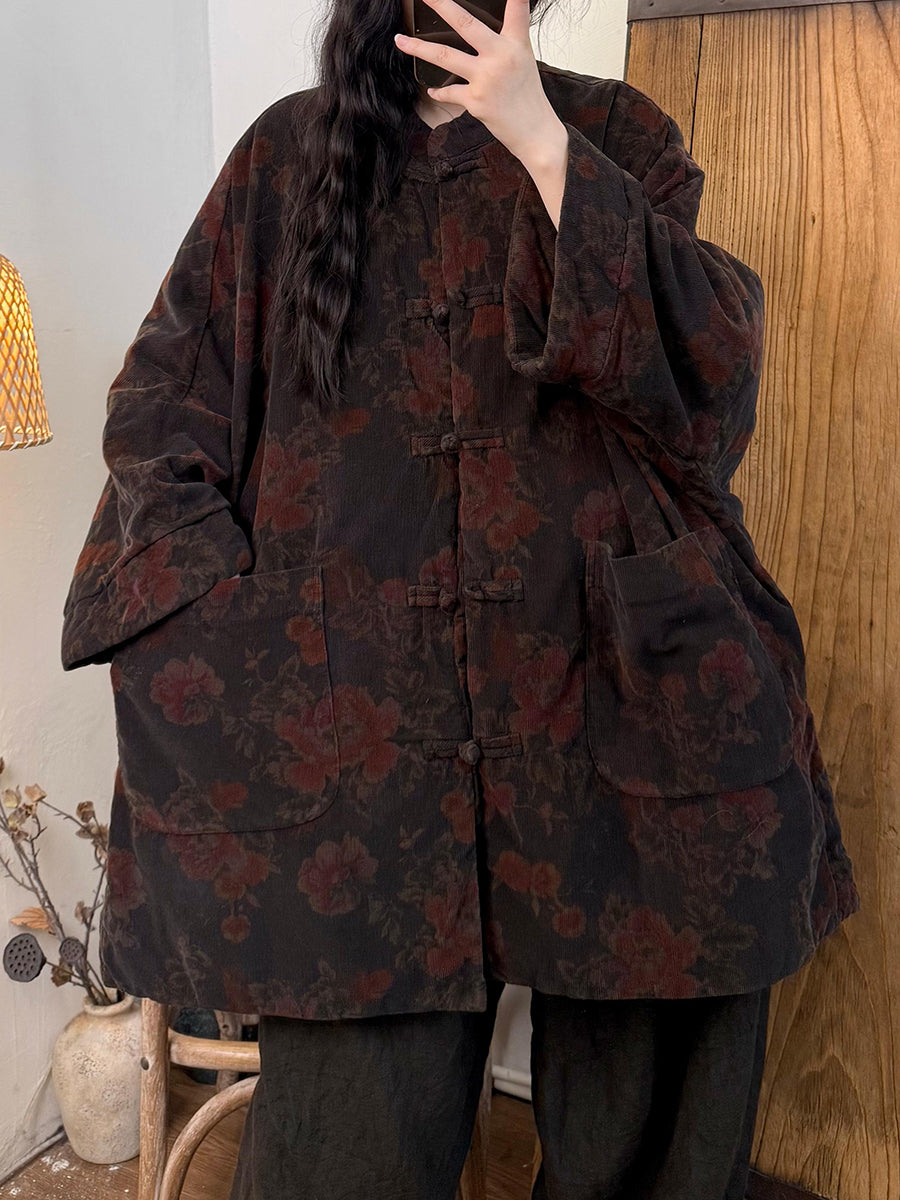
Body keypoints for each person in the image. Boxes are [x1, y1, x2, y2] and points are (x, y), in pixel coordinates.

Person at [59, 0, 860, 1195]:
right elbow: (160, 415)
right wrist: (231, 626)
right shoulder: (285, 160)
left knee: (648, 1116)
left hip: (617, 701)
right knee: (346, 1155)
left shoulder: (615, 130)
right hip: (357, 746)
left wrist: (542, 145)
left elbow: (708, 397)